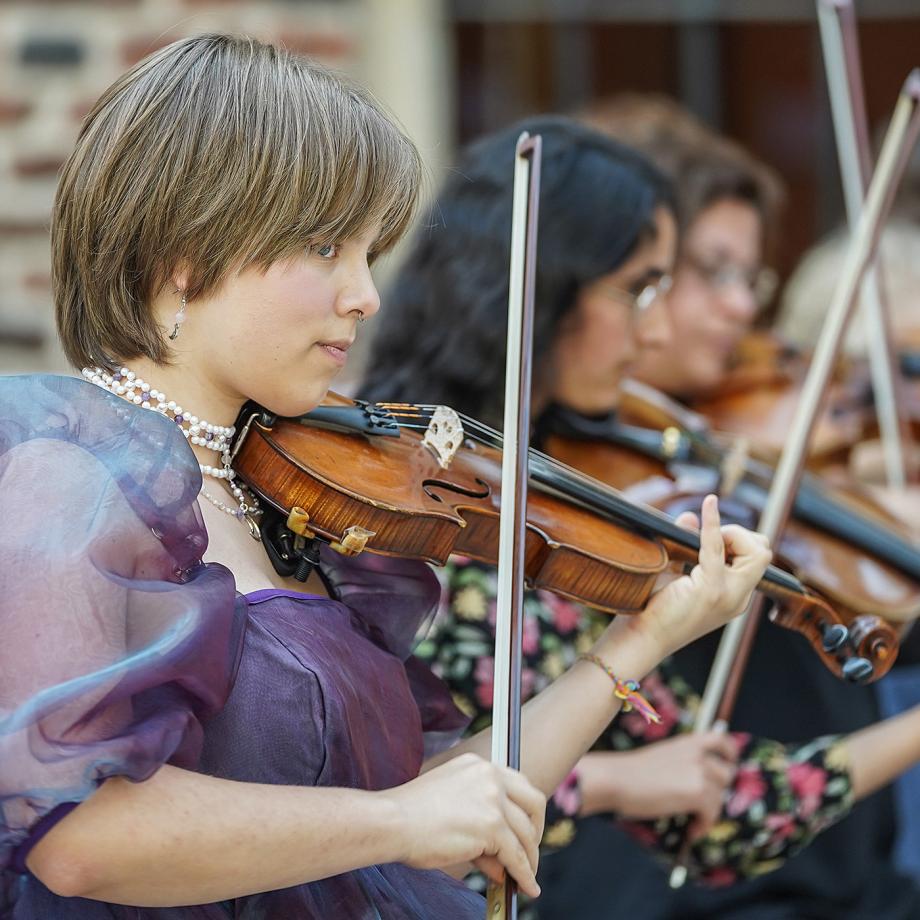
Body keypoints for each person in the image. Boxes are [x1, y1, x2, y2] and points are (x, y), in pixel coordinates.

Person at [0, 35, 774, 920]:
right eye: (328, 246)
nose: (366, 293)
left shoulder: (283, 497)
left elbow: (424, 816)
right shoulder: (65, 472)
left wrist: (640, 639)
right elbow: (81, 836)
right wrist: (397, 821)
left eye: (370, 252)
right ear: (187, 252)